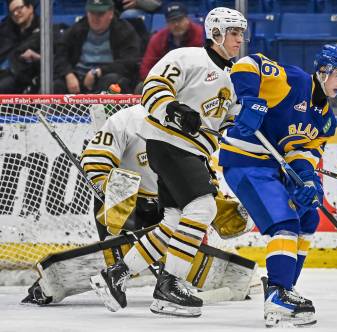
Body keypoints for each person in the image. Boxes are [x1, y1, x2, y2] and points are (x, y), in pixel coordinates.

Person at [90, 7, 248, 318]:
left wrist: (243, 134)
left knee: (174, 221)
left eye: (242, 33)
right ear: (215, 33)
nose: (239, 39)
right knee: (204, 208)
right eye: (233, 32)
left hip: (195, 152)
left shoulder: (234, 78)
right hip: (170, 143)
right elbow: (153, 88)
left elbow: (228, 123)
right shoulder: (187, 58)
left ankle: (117, 275)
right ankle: (169, 285)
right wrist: (174, 109)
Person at [21, 104, 255, 306]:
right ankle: (47, 288)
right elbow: (95, 159)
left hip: (167, 204)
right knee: (114, 253)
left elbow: (201, 176)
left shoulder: (188, 122)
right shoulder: (125, 121)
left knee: (180, 250)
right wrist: (110, 191)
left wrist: (215, 203)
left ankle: (164, 281)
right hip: (126, 205)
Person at [218, 44, 337, 327]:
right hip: (247, 160)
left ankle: (283, 288)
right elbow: (248, 64)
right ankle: (279, 294)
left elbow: (304, 153)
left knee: (308, 216)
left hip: (274, 166)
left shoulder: (325, 119)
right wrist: (249, 100)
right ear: (323, 71)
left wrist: (308, 181)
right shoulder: (294, 81)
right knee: (284, 221)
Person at [53, 0, 141, 94]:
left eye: (100, 14)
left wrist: (99, 72)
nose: (95, 18)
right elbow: (60, 54)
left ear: (110, 13)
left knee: (112, 81)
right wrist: (68, 74)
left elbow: (129, 62)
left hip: (107, 77)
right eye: (92, 13)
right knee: (57, 85)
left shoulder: (125, 31)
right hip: (79, 79)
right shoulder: (77, 29)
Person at [139, 2, 204, 81]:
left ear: (187, 19)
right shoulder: (158, 39)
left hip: (194, 81)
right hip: (164, 82)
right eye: (172, 21)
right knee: (141, 87)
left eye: (180, 20)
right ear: (167, 23)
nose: (176, 24)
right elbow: (146, 69)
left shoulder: (200, 35)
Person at [0, 0, 40, 93]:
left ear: (30, 8)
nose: (16, 13)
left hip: (23, 76)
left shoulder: (44, 30)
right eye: (12, 12)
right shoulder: (6, 29)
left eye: (19, 9)